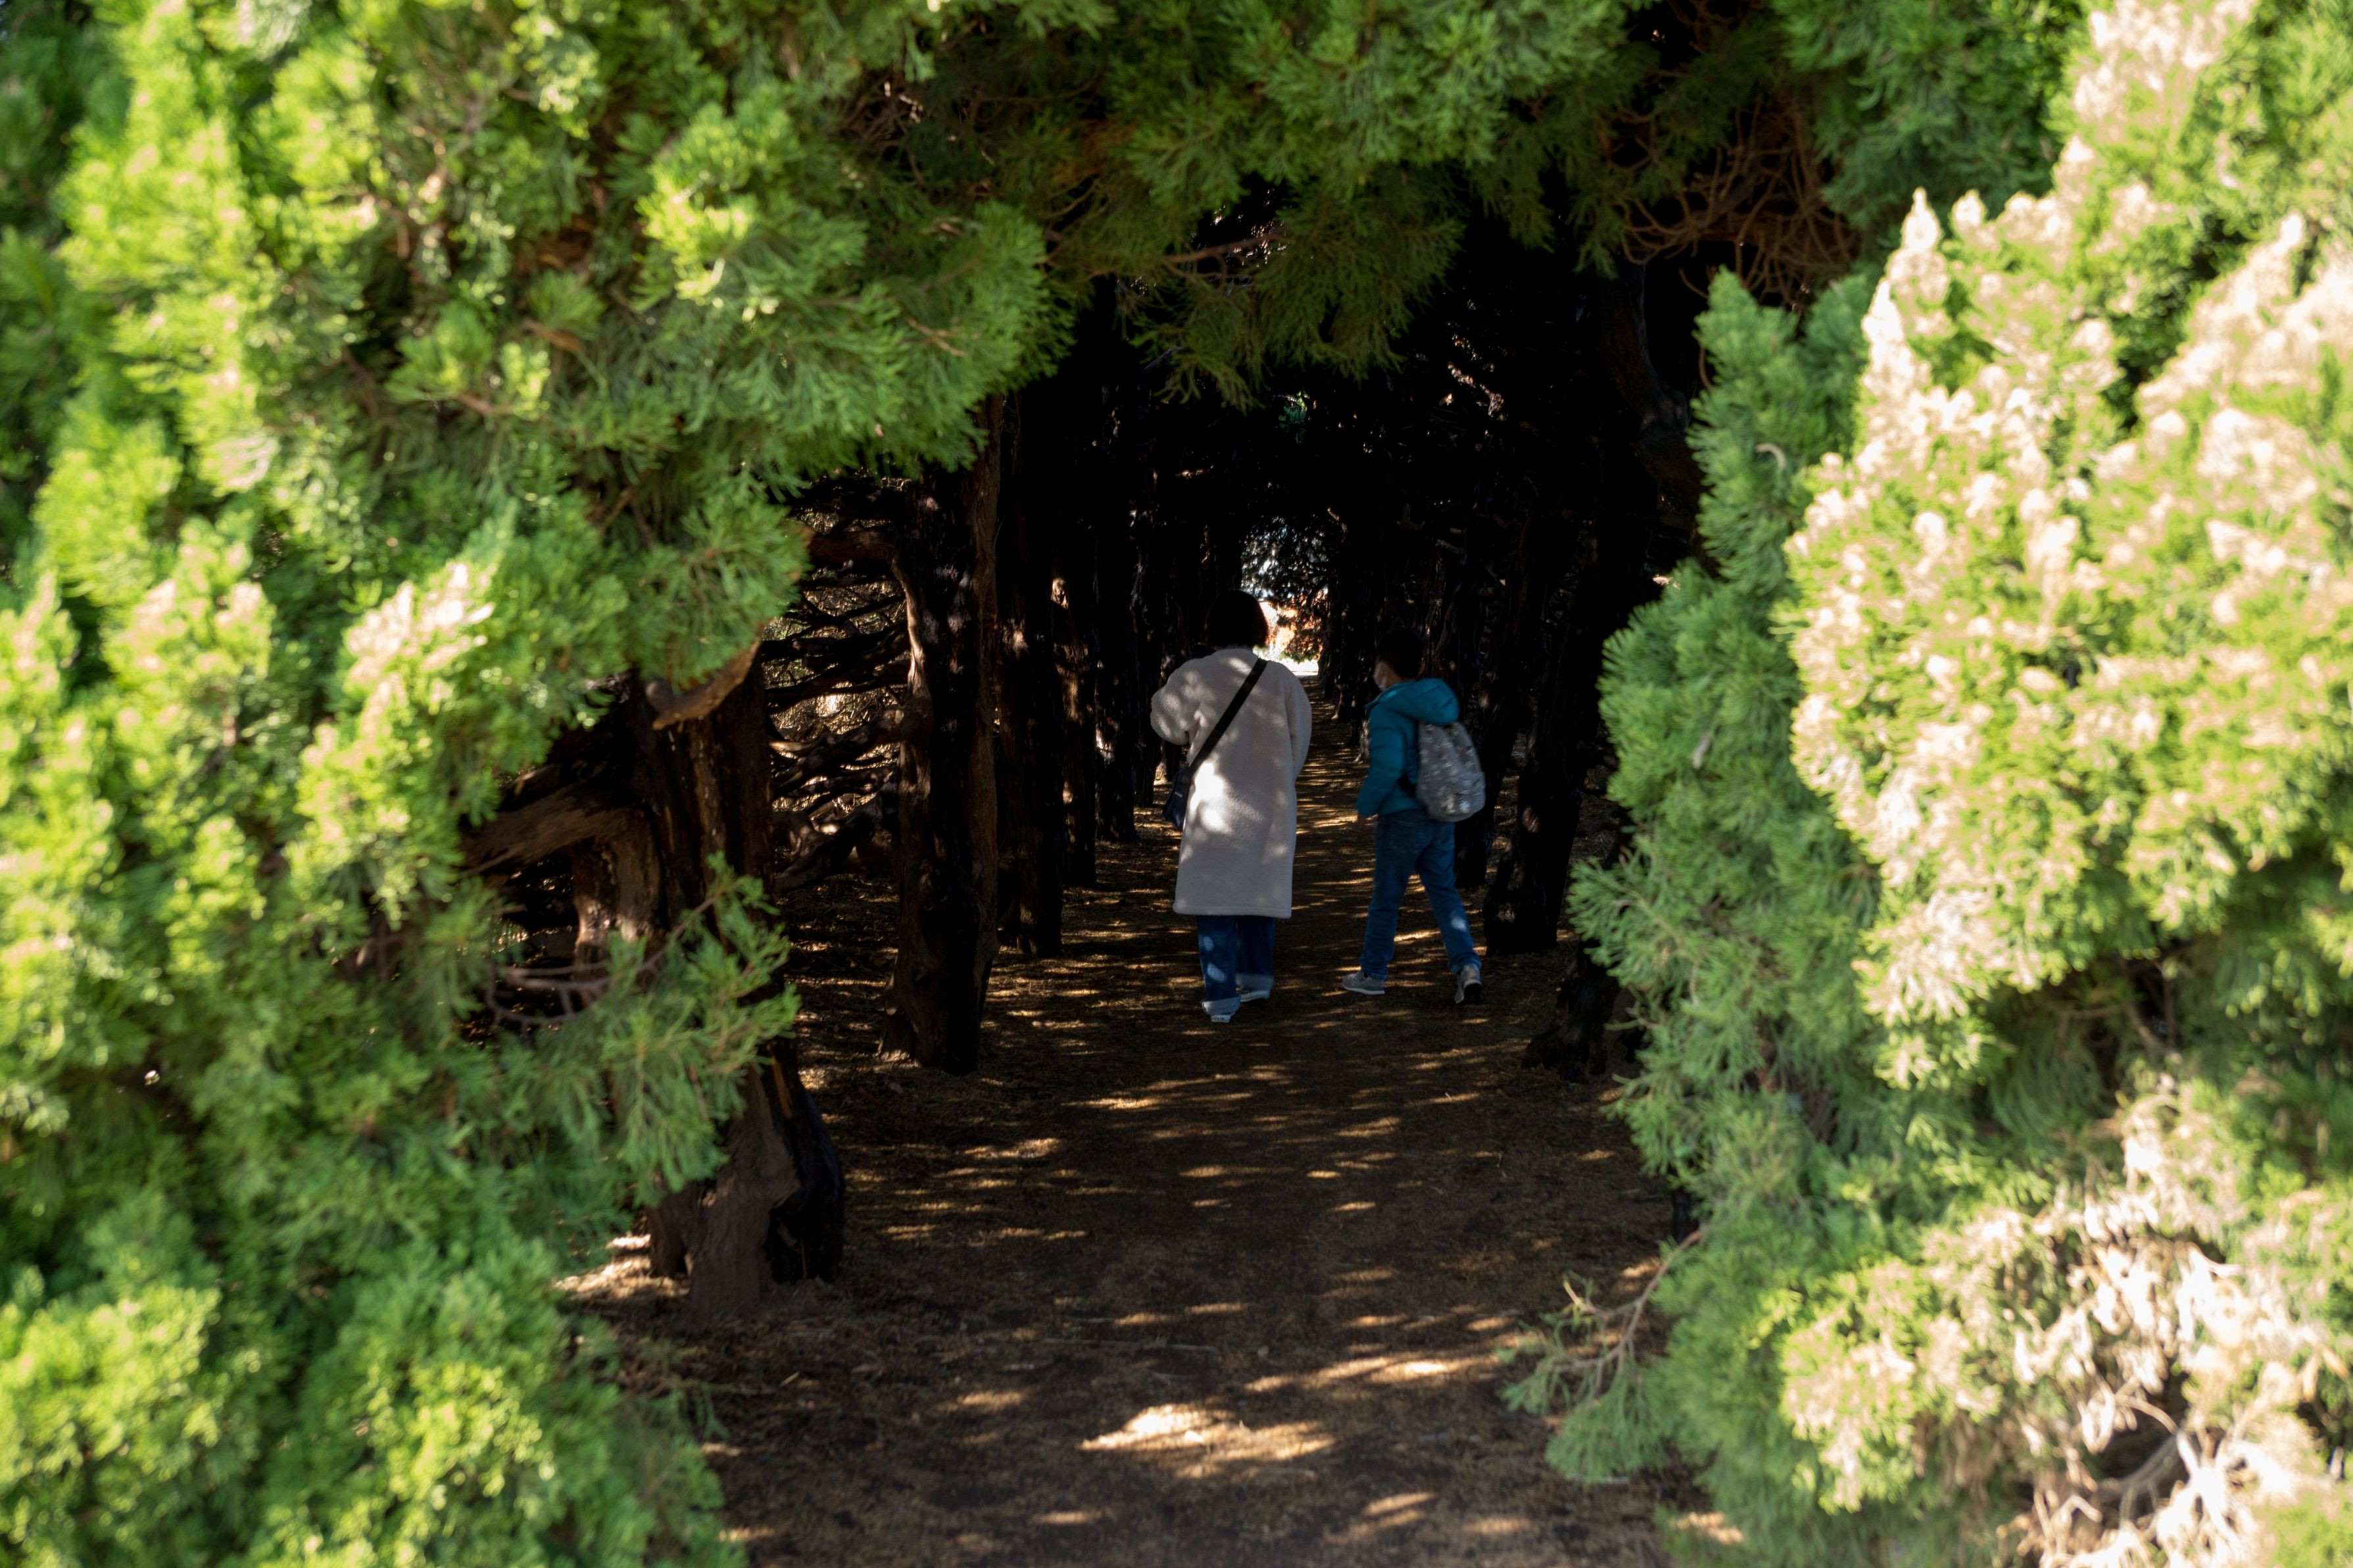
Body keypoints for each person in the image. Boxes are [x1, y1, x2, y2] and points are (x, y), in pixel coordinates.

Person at [1149, 591, 1314, 1022]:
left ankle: (1221, 996)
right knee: (1260, 892)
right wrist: (1280, 780)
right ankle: (1255, 981)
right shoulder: (1281, 679)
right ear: (1258, 628)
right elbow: (1299, 741)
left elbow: (1165, 723)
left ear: (1213, 628)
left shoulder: (1195, 674)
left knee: (1214, 900)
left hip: (1214, 807)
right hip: (1271, 805)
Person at [1341, 627, 1484, 1005]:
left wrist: (1365, 807)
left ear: (1384, 667)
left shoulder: (1387, 709)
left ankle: (1373, 973)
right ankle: (1468, 967)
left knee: (1387, 899)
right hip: (1440, 812)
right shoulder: (1438, 699)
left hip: (1401, 817)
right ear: (1421, 666)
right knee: (1444, 893)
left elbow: (1387, 768)